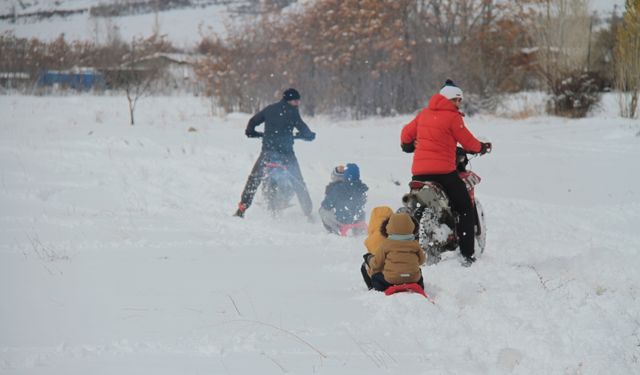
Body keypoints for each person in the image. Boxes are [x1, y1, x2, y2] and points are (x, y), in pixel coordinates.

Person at [400, 79, 491, 266]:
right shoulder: (452, 117)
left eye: (460, 100)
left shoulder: (423, 115)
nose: (459, 103)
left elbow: (405, 135)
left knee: (415, 205)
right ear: (447, 99)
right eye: (456, 99)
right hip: (443, 173)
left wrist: (409, 145)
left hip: (419, 175)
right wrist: (481, 147)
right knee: (464, 207)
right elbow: (468, 142)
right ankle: (467, 255)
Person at [234, 88, 316, 219]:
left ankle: (242, 208)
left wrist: (251, 132)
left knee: (254, 179)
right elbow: (303, 129)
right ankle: (308, 213)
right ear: (289, 100)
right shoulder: (292, 112)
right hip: (286, 155)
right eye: (296, 101)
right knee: (298, 182)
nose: (298, 103)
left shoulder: (270, 109)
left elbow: (253, 121)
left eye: (299, 101)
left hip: (268, 153)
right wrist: (309, 135)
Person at [361, 212, 426, 291]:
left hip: (392, 279)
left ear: (389, 226)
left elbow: (376, 264)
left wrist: (369, 258)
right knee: (418, 272)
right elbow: (422, 261)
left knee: (376, 276)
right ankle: (420, 285)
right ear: (411, 225)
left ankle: (375, 289)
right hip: (413, 278)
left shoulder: (386, 244)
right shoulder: (415, 244)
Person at [318, 163, 368, 235]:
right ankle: (358, 231)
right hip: (357, 220)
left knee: (322, 210)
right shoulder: (361, 188)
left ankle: (335, 232)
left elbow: (326, 205)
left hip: (343, 220)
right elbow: (362, 202)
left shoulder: (337, 189)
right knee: (360, 211)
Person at [360, 206, 393, 289]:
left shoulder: (371, 240)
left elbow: (375, 262)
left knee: (364, 265)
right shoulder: (394, 235)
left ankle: (371, 287)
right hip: (396, 271)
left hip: (381, 277)